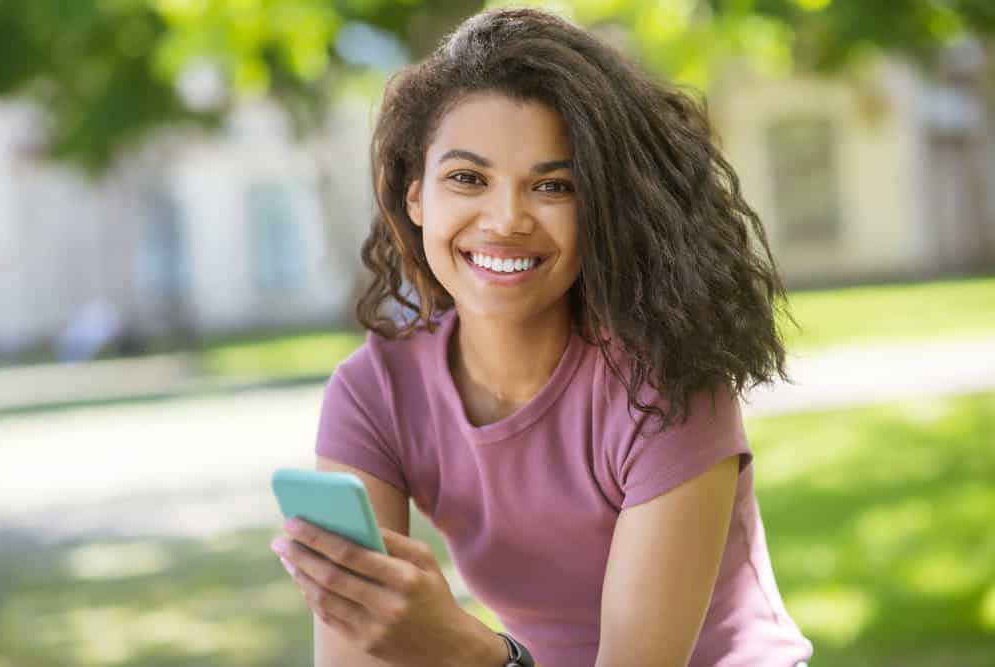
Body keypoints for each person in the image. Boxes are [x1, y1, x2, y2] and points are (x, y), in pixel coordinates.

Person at [270, 7, 814, 667]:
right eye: (468, 178)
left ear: (601, 209)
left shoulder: (666, 382)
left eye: (553, 186)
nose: (505, 219)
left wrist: (473, 653)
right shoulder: (375, 391)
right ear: (417, 199)